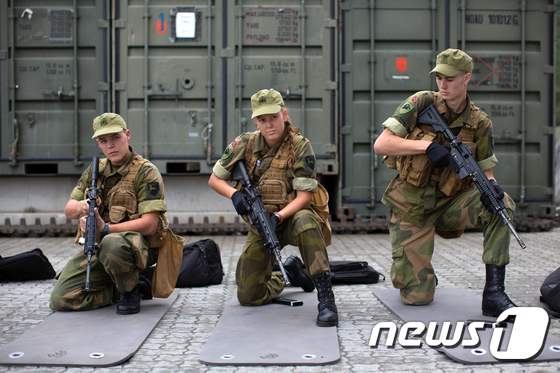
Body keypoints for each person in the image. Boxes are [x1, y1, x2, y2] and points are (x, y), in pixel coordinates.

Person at [373, 48, 517, 317]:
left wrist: (492, 187)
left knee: (501, 205)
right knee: (416, 298)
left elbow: (486, 170)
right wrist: (425, 147)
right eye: (439, 77)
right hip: (411, 207)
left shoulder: (480, 122)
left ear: (467, 78)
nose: (443, 84)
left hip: (451, 204)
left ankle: (494, 293)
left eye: (450, 78)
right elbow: (382, 144)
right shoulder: (421, 102)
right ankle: (420, 275)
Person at [208, 88, 338, 327]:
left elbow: (305, 197)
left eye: (273, 117)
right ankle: (288, 272)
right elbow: (214, 179)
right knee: (248, 295)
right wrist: (234, 194)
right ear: (256, 120)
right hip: (260, 225)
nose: (269, 125)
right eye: (262, 119)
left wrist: (277, 217)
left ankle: (326, 297)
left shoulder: (300, 146)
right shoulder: (244, 143)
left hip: (289, 219)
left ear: (284, 114)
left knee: (307, 221)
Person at [50, 113, 182, 315]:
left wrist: (106, 228)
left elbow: (150, 224)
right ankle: (118, 289)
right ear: (98, 144)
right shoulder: (96, 171)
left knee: (112, 243)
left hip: (138, 248)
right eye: (103, 141)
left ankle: (130, 291)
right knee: (61, 299)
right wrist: (82, 208)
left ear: (127, 135)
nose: (110, 145)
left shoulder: (146, 171)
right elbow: (69, 208)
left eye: (115, 138)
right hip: (99, 248)